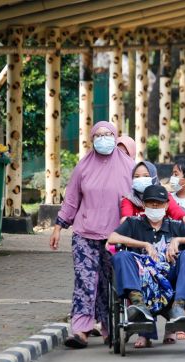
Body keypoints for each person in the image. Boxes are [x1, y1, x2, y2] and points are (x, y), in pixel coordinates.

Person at [50, 121, 135, 349]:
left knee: (110, 285)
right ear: (91, 138)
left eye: (108, 134)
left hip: (117, 237)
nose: (103, 138)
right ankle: (81, 331)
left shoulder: (129, 166)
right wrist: (59, 226)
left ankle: (110, 329)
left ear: (115, 137)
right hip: (85, 234)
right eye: (98, 135)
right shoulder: (83, 167)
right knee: (85, 282)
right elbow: (71, 200)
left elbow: (141, 198)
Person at [108, 185, 185, 347]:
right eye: (150, 203)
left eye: (158, 203)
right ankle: (139, 304)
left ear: (166, 205)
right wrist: (145, 244)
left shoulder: (174, 226)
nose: (155, 207)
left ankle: (179, 307)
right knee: (121, 255)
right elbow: (113, 238)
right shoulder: (133, 223)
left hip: (170, 279)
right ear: (144, 205)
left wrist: (177, 240)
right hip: (142, 280)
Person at [121, 161, 185, 224]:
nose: (141, 179)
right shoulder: (129, 199)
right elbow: (127, 216)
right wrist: (126, 221)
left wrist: (183, 216)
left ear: (154, 177)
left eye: (146, 176)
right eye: (136, 176)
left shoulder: (164, 195)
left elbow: (174, 209)